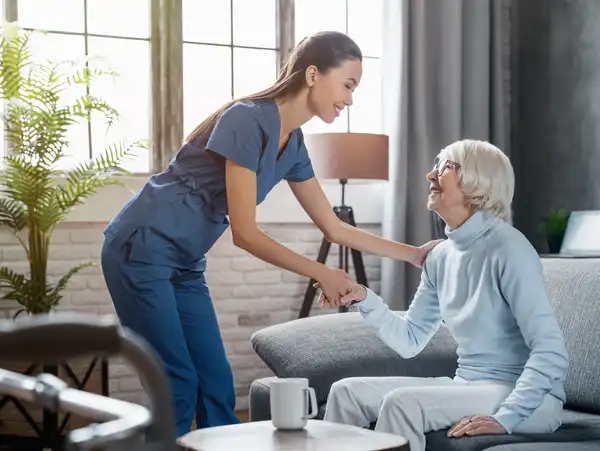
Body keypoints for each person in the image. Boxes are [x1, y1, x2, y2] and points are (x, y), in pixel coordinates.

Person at [100, 31, 439, 438]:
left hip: (185, 264)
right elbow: (245, 232)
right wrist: (322, 272)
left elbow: (334, 226)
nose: (350, 99)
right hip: (141, 249)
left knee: (216, 385)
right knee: (178, 385)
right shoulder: (247, 118)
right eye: (348, 85)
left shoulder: (293, 144)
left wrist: (415, 255)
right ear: (313, 74)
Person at [319, 139, 569, 451]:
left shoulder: (510, 249)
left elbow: (551, 351)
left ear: (479, 182)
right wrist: (364, 298)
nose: (430, 175)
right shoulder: (440, 257)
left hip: (529, 397)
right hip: (468, 385)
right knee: (347, 392)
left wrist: (508, 416)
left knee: (402, 403)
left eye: (446, 167)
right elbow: (410, 340)